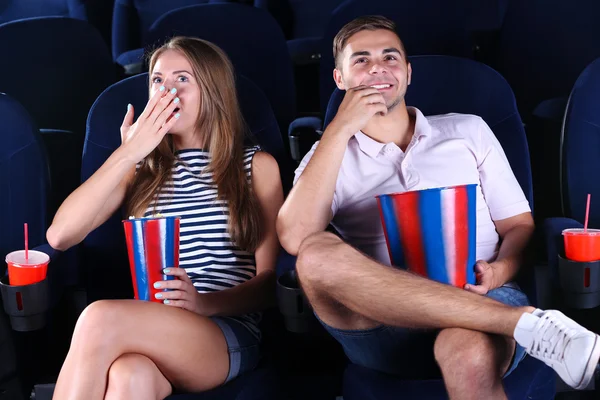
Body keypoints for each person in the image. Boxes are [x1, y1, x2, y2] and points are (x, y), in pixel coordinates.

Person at [277, 15, 600, 399]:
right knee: (313, 254)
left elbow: (519, 226)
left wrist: (498, 273)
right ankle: (528, 324)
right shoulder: (326, 154)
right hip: (380, 322)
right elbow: (295, 237)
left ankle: (519, 322)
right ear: (340, 79)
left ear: (408, 73)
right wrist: (338, 129)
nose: (378, 67)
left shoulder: (468, 130)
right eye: (360, 60)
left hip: (479, 296)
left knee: (464, 350)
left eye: (390, 57)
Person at [47, 37, 283, 400]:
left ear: (213, 91)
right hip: (150, 330)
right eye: (157, 80)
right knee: (130, 377)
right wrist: (129, 153)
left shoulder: (256, 167)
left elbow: (270, 284)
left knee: (97, 319)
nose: (166, 91)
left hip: (224, 332)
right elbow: (61, 235)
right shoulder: (140, 168)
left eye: (182, 80)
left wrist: (205, 303)